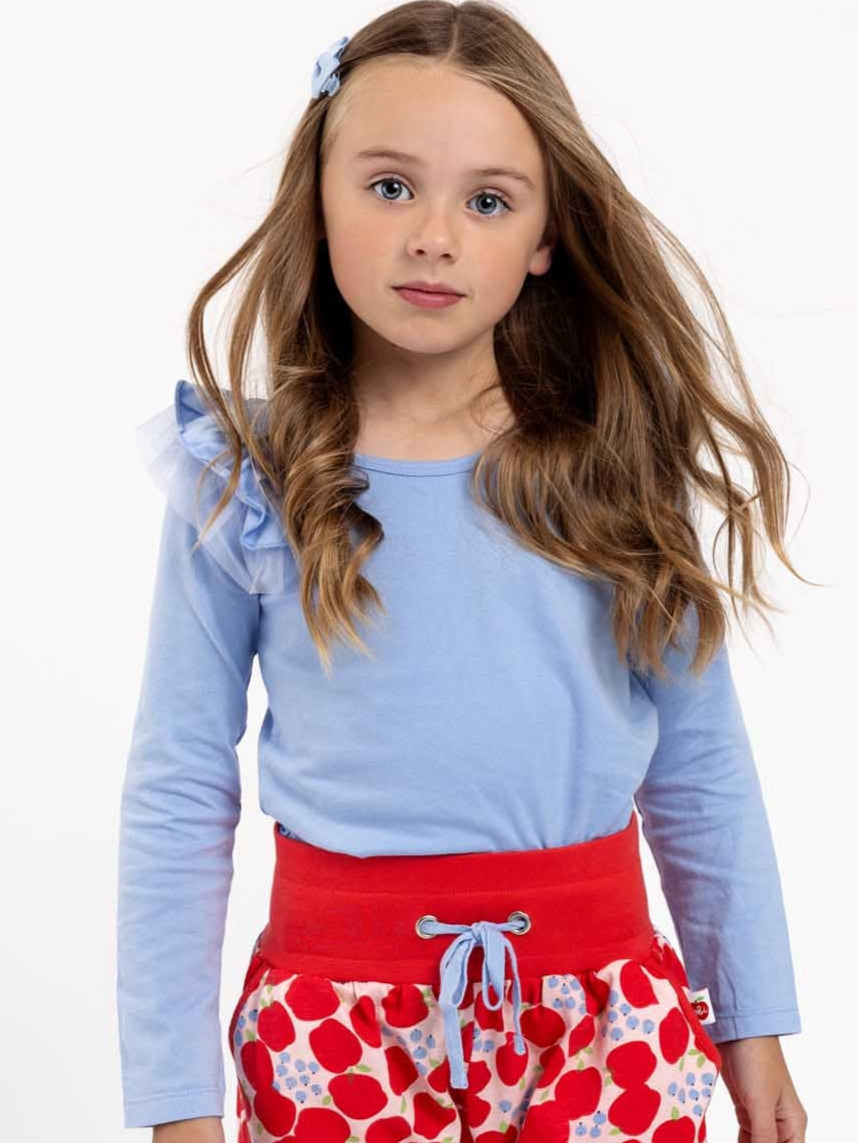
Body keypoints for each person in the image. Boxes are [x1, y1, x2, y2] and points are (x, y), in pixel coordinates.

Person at [116, 3, 809, 1141]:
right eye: (390, 186)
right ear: (319, 196)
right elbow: (180, 786)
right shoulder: (244, 476)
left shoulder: (613, 465)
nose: (434, 235)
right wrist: (176, 1103)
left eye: (487, 199)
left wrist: (753, 1023)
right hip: (334, 1033)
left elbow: (702, 765)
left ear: (544, 233)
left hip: (611, 1027)